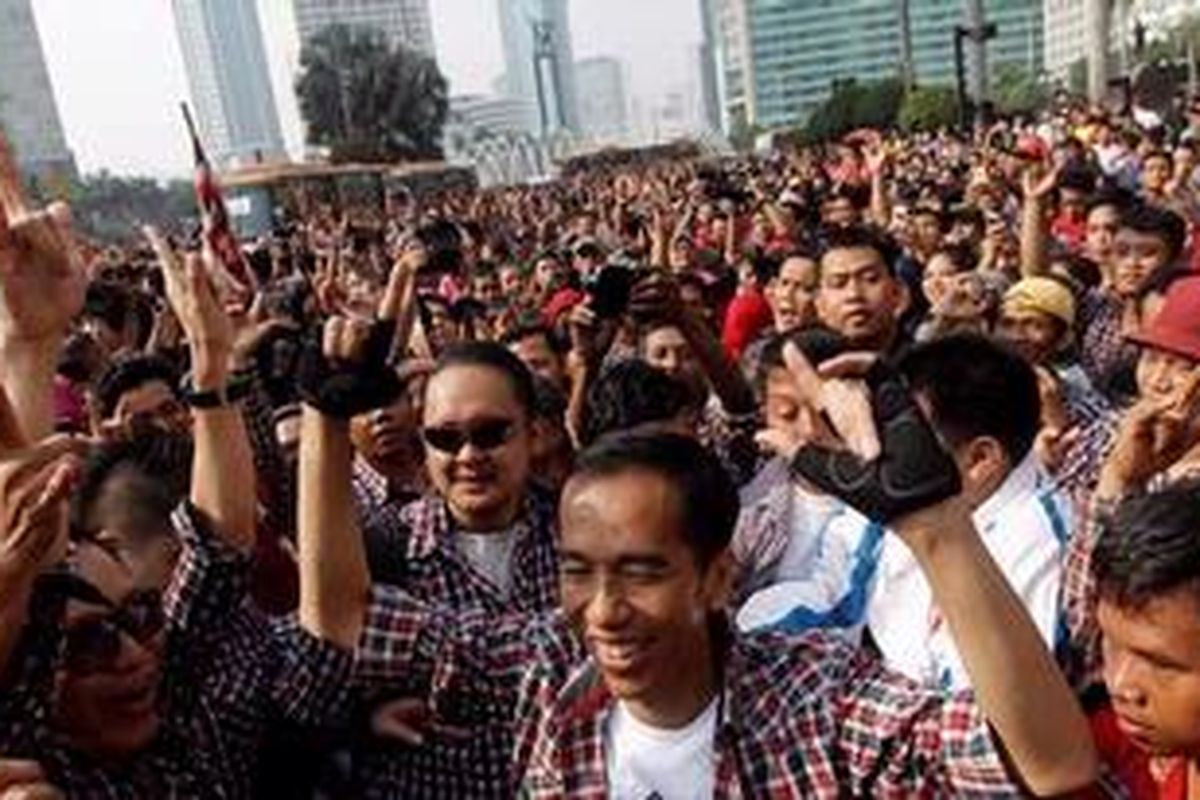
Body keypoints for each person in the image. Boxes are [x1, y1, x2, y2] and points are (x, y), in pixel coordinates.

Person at [295, 317, 1098, 796]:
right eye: (580, 570)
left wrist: (935, 529)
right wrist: (325, 423)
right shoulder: (547, 671)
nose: (603, 611)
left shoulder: (810, 696)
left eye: (643, 570)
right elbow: (341, 615)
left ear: (719, 576)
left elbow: (1050, 766)